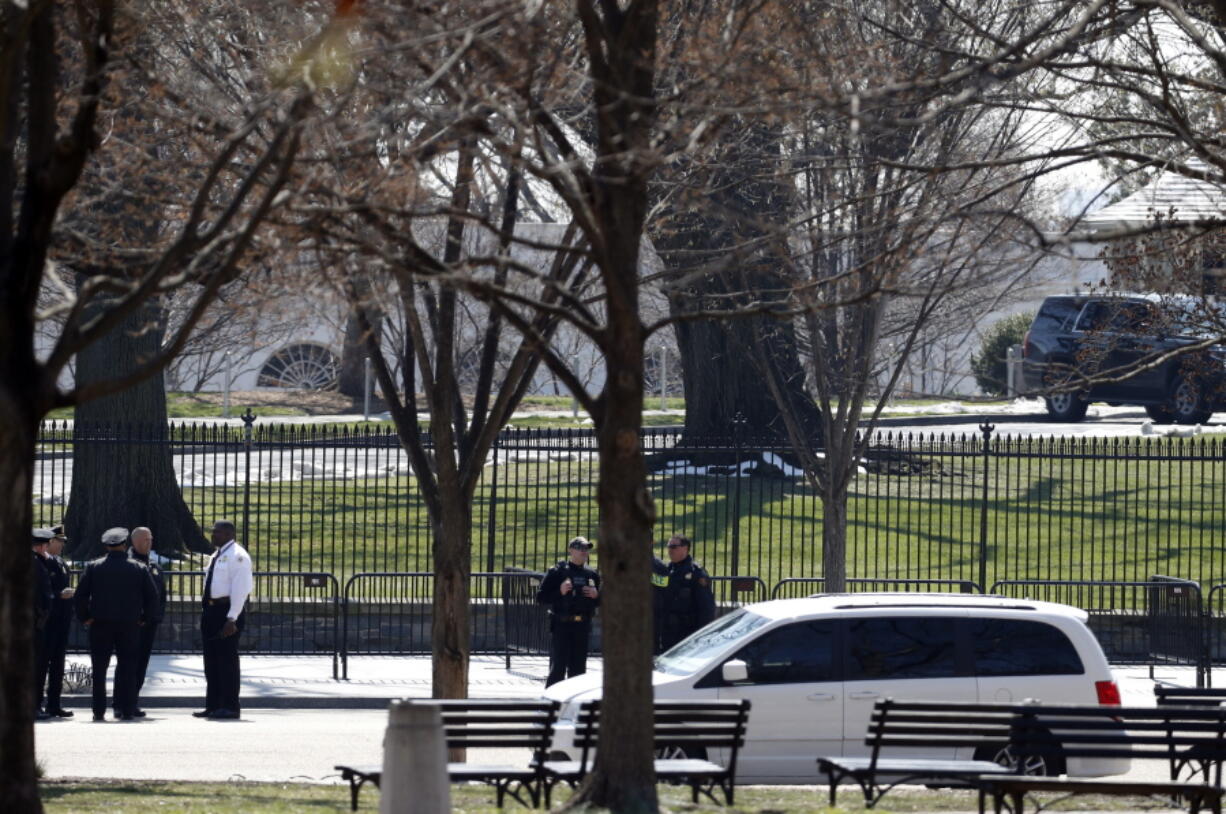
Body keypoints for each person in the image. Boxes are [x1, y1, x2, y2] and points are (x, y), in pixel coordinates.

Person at [74, 527, 158, 721]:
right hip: (129, 625)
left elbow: (80, 596)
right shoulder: (138, 568)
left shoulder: (94, 567)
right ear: (125, 545)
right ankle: (127, 709)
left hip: (100, 624)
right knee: (128, 667)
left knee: (99, 669)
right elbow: (152, 598)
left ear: (106, 546)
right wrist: (144, 619)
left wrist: (85, 617)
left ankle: (98, 710)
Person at [195, 520, 253, 720]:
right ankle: (213, 704)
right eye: (213, 532)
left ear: (229, 534)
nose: (213, 536)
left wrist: (232, 619)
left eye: (217, 533)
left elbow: (240, 589)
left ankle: (230, 706)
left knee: (226, 661)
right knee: (211, 662)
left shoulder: (238, 557)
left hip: (226, 612)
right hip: (211, 610)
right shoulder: (217, 555)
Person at [536, 536, 601, 687]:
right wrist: (560, 591)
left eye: (586, 549)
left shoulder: (592, 575)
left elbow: (600, 601)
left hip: (582, 626)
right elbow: (541, 597)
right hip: (562, 625)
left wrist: (596, 595)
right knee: (558, 668)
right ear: (571, 550)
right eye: (580, 548)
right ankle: (551, 703)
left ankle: (575, 704)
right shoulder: (557, 572)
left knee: (578, 670)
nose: (584, 552)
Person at [121, 526, 166, 718]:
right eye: (146, 539)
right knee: (127, 664)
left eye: (151, 539)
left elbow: (161, 595)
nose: (150, 542)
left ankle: (133, 702)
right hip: (132, 623)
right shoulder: (128, 564)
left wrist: (156, 616)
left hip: (149, 623)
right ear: (135, 542)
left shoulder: (154, 566)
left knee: (141, 665)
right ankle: (121, 703)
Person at [652, 534, 716, 654]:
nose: (670, 550)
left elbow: (707, 608)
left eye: (674, 546)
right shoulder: (667, 570)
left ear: (685, 548)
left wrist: (701, 636)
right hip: (668, 634)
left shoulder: (696, 573)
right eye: (668, 546)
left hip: (687, 634)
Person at [38, 528, 75, 718]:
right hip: (48, 621)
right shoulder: (42, 562)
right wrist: (59, 595)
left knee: (58, 665)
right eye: (59, 541)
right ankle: (37, 703)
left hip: (62, 620)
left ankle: (54, 703)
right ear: (49, 542)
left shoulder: (61, 562)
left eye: (63, 542)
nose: (62, 545)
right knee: (42, 663)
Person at [31, 529, 56, 720]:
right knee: (36, 668)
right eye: (47, 546)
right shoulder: (37, 565)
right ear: (40, 546)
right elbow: (44, 597)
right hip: (34, 625)